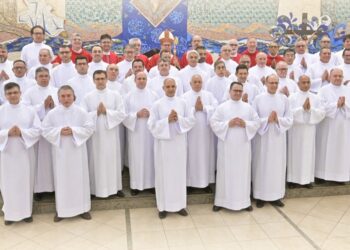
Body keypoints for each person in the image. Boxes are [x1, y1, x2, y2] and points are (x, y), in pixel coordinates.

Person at [42, 85, 94, 222]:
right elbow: (45, 130)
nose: (66, 99)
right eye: (63, 96)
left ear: (74, 97)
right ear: (58, 98)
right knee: (62, 180)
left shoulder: (81, 112)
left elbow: (90, 128)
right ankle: (62, 211)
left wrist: (74, 131)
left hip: (77, 152)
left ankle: (83, 209)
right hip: (60, 154)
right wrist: (59, 131)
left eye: (68, 96)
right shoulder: (52, 113)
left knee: (80, 179)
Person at [147, 78, 195, 219]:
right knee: (164, 175)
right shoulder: (156, 105)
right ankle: (163, 207)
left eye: (173, 86)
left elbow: (191, 121)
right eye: (168, 86)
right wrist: (166, 120)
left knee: (178, 175)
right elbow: (151, 125)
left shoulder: (183, 103)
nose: (170, 89)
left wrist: (178, 118)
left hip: (179, 145)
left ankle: (180, 205)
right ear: (163, 88)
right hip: (163, 147)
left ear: (176, 87)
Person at [211, 82, 260, 212]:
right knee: (225, 172)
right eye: (235, 90)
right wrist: (228, 123)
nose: (238, 93)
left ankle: (244, 202)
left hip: (243, 146)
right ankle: (221, 201)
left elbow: (256, 123)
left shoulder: (248, 108)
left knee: (242, 173)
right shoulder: (222, 107)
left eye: (240, 91)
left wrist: (246, 124)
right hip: (227, 146)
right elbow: (214, 123)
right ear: (230, 91)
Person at [0, 82, 41, 225]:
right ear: (5, 95)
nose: (12, 95)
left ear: (20, 93)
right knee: (7, 183)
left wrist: (22, 133)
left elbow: (37, 130)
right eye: (9, 93)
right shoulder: (1, 110)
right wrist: (7, 133)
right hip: (7, 153)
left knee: (25, 181)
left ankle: (26, 213)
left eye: (15, 92)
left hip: (25, 152)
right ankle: (10, 214)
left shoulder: (29, 111)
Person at [82, 70, 126, 198]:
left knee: (112, 160)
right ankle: (94, 190)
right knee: (95, 161)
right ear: (93, 80)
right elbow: (83, 117)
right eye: (98, 79)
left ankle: (115, 188)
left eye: (102, 78)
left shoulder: (115, 95)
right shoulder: (88, 97)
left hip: (110, 134)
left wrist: (107, 112)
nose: (100, 81)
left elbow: (122, 113)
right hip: (95, 136)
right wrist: (96, 113)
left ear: (107, 80)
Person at [252, 74, 293, 208]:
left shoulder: (284, 99)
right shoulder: (258, 99)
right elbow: (253, 119)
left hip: (278, 139)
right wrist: (266, 120)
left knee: (277, 166)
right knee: (262, 165)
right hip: (262, 139)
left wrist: (278, 120)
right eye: (271, 83)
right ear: (266, 83)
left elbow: (289, 119)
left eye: (276, 83)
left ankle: (276, 196)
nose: (274, 85)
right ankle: (260, 196)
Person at [22, 67, 58, 200]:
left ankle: (55, 187)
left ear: (49, 77)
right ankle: (39, 189)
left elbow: (64, 106)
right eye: (41, 76)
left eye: (46, 76)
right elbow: (25, 110)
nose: (44, 78)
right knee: (40, 160)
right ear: (36, 78)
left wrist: (54, 106)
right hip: (38, 130)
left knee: (54, 158)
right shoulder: (29, 92)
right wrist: (42, 106)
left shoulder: (56, 91)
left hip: (54, 130)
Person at [287, 75, 325, 188]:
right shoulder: (292, 98)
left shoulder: (316, 97)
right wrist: (301, 109)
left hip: (309, 130)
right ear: (298, 84)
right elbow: (288, 114)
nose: (306, 84)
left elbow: (322, 113)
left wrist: (310, 110)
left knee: (308, 154)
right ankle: (293, 180)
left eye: (308, 82)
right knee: (295, 154)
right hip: (295, 131)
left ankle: (307, 180)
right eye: (303, 82)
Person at [123, 72, 158, 195]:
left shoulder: (154, 95)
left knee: (150, 157)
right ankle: (135, 185)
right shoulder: (128, 96)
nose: (142, 81)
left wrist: (150, 114)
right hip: (136, 131)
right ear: (135, 80)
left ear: (147, 80)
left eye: (144, 78)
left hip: (150, 132)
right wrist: (136, 115)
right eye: (139, 78)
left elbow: (158, 112)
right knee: (136, 157)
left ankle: (151, 184)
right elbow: (124, 115)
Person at [183, 74, 217, 191]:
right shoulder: (184, 97)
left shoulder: (209, 95)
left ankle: (205, 183)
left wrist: (203, 108)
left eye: (199, 82)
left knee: (205, 156)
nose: (197, 84)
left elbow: (215, 108)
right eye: (195, 82)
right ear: (190, 83)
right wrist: (194, 109)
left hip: (205, 133)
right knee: (191, 156)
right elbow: (182, 112)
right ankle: (190, 183)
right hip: (191, 133)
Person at [315, 68, 350, 184]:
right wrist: (336, 104)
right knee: (325, 148)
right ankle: (322, 175)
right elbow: (320, 107)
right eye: (335, 76)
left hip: (343, 127)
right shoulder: (323, 90)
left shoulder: (347, 90)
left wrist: (344, 105)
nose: (338, 78)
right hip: (327, 126)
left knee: (341, 150)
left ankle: (340, 177)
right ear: (330, 77)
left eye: (340, 76)